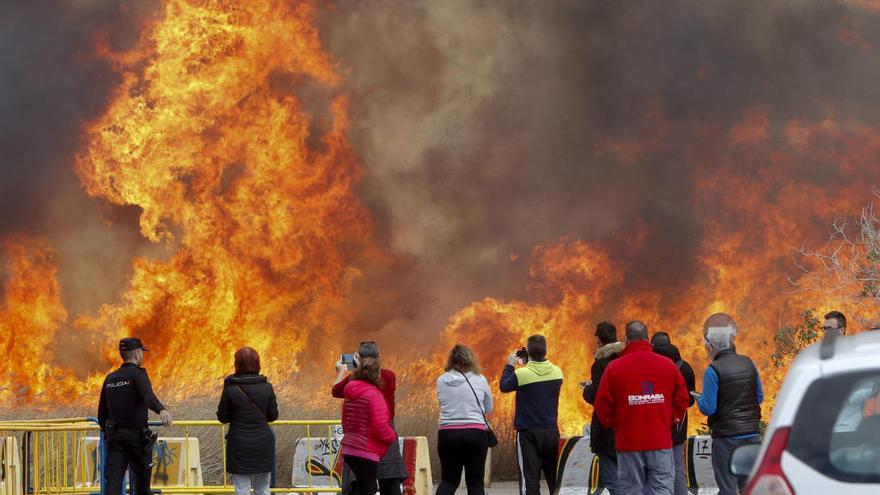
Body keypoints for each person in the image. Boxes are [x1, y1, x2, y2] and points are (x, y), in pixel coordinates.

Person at [594, 321, 689, 495]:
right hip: (660, 441)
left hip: (628, 442)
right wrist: (670, 420)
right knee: (661, 488)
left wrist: (616, 425)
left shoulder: (614, 368)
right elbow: (682, 399)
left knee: (631, 489)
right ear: (648, 339)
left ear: (627, 340)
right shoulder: (668, 365)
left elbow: (602, 405)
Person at [697, 313, 763, 495]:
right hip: (752, 435)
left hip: (727, 438)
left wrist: (699, 400)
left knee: (727, 488)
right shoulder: (749, 363)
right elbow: (759, 397)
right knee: (750, 487)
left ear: (711, 346)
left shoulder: (712, 370)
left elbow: (709, 408)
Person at [97, 338, 173, 495]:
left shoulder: (110, 378)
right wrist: (162, 411)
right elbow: (148, 396)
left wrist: (109, 432)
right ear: (137, 354)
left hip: (115, 438)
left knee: (113, 481)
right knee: (141, 480)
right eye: (142, 353)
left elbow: (101, 414)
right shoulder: (138, 374)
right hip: (136, 438)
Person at [333, 342, 408, 495]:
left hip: (360, 436)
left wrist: (342, 372)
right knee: (390, 481)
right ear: (378, 358)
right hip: (385, 430)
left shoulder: (352, 381)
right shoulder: (389, 376)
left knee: (361, 485)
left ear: (358, 358)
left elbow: (336, 391)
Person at [500, 335, 563, 495]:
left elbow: (504, 386)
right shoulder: (557, 372)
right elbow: (539, 377)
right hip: (551, 433)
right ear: (545, 351)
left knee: (530, 481)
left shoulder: (522, 375)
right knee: (555, 480)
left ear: (528, 352)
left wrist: (510, 365)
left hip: (528, 434)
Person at [217, 347, 279, 495]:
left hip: (239, 446)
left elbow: (222, 417)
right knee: (263, 489)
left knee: (242, 490)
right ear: (257, 364)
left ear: (237, 364)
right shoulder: (267, 387)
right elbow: (273, 416)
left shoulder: (231, 389)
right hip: (263, 445)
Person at [435, 345, 494, 495]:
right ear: (470, 360)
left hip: (447, 434)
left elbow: (442, 404)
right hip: (475, 434)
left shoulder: (441, 380)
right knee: (475, 483)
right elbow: (488, 408)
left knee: (448, 481)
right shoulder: (480, 379)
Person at [651, 332, 696, 495]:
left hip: (656, 428)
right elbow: (690, 400)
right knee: (678, 470)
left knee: (656, 472)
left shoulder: (652, 367)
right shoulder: (686, 367)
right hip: (679, 426)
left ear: (653, 346)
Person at [582, 322, 625, 495]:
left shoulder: (601, 364)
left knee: (612, 480)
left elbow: (600, 396)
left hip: (607, 430)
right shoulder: (625, 358)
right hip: (628, 426)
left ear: (599, 340)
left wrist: (587, 390)